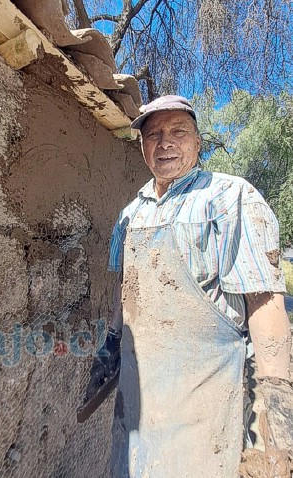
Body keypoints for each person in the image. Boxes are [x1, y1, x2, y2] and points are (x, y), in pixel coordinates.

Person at [92, 95, 291, 476]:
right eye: (153, 135)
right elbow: (126, 290)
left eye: (178, 132)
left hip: (204, 393)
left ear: (198, 143)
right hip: (137, 392)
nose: (165, 142)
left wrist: (277, 402)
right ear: (142, 147)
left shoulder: (233, 198)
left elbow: (264, 300)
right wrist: (110, 343)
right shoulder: (131, 213)